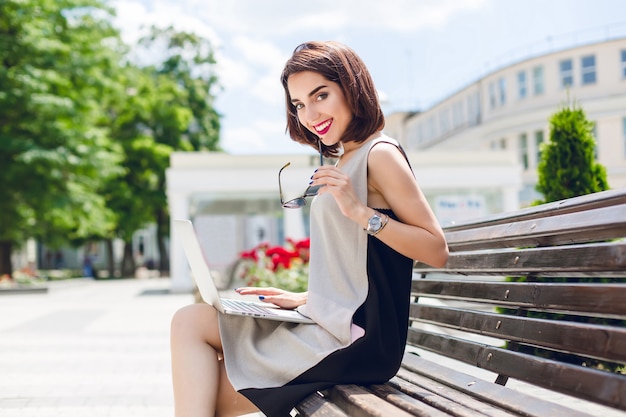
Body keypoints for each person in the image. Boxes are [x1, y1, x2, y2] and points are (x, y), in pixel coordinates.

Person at [170, 40, 449, 417]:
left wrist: (361, 212)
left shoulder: (379, 154)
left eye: (321, 95)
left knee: (201, 395)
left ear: (351, 87)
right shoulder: (346, 157)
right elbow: (359, 262)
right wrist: (306, 297)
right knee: (191, 320)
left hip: (360, 342)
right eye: (299, 104)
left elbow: (436, 249)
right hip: (332, 323)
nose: (310, 113)